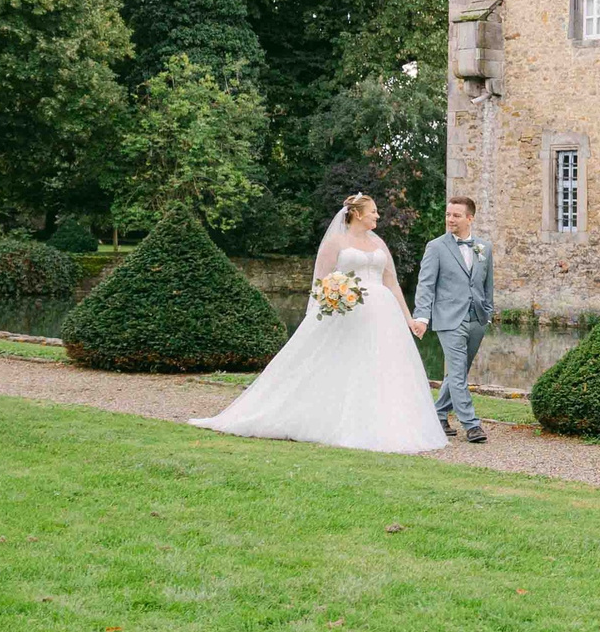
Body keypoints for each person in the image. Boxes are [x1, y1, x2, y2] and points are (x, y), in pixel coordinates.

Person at [188, 194, 446, 455]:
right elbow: (321, 282)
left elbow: (391, 282)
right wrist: (329, 302)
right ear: (357, 214)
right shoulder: (336, 242)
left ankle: (386, 423)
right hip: (348, 313)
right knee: (344, 364)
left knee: (382, 366)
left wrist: (408, 318)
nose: (377, 216)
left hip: (383, 313)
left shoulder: (379, 244)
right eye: (373, 211)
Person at [411, 195, 495, 443]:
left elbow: (487, 285)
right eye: (448, 214)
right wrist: (422, 317)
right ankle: (472, 425)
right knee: (458, 374)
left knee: (457, 374)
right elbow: (425, 285)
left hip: (477, 319)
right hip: (448, 319)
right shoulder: (435, 247)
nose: (450, 219)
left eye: (456, 215)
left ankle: (438, 414)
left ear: (470, 218)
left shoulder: (484, 248)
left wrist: (487, 314)